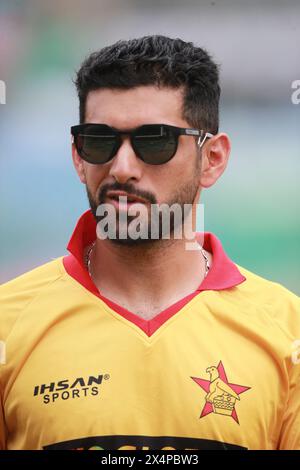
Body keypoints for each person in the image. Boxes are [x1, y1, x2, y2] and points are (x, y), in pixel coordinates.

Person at [0, 35, 299, 451]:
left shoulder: (288, 333)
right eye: (100, 141)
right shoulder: (7, 324)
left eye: (154, 141)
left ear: (212, 159)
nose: (121, 168)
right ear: (78, 157)